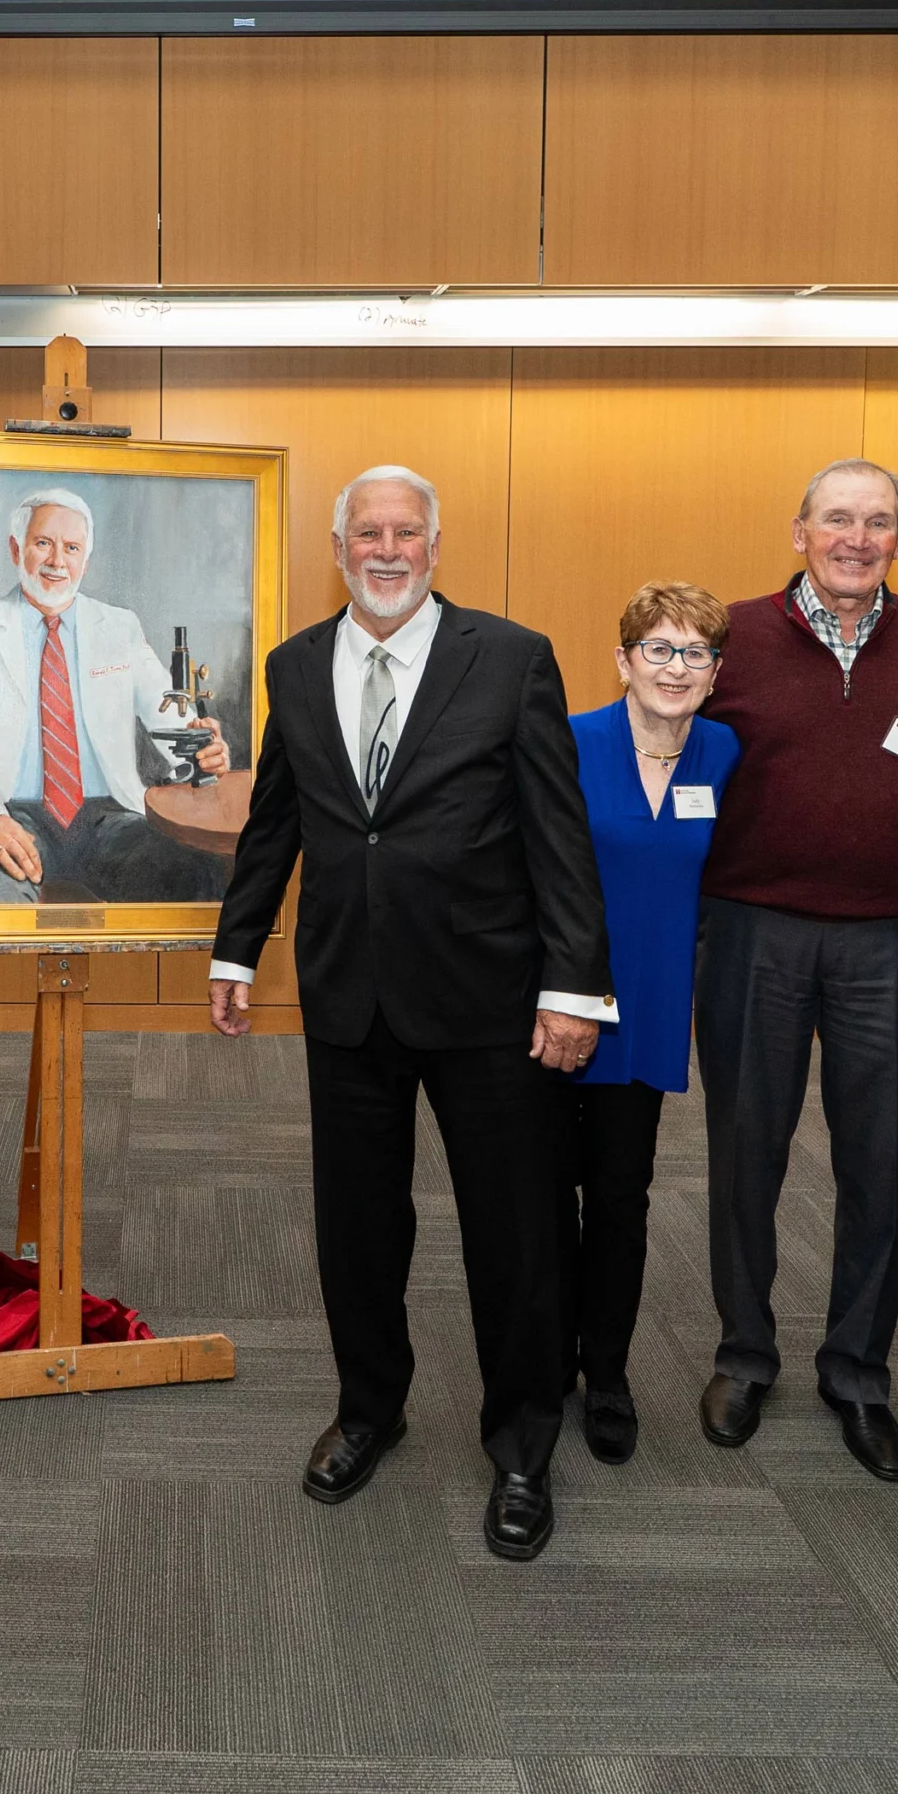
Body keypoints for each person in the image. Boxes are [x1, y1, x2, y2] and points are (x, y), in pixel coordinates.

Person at [209, 465, 614, 1562]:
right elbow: (277, 820)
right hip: (348, 995)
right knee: (356, 1226)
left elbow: (557, 834)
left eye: (405, 533)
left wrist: (574, 986)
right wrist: (236, 946)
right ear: (338, 547)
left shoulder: (513, 657)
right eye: (365, 534)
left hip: (491, 1000)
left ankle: (521, 1441)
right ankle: (368, 1408)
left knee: (514, 1231)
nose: (385, 551)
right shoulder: (295, 665)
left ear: (435, 545)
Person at [693, 459, 898, 1481]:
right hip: (752, 929)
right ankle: (743, 1352)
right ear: (799, 530)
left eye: (877, 522)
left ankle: (858, 1371)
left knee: (880, 1163)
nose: (855, 537)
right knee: (746, 1152)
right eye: (837, 518)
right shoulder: (728, 636)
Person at [559, 581, 739, 1466]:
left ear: (715, 670)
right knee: (548, 1195)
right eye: (660, 649)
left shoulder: (725, 751)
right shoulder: (569, 740)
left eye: (696, 651)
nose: (677, 667)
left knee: (621, 1199)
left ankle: (610, 1372)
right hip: (560, 1002)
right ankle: (547, 1354)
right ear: (623, 658)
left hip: (654, 1009)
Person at [0, 486, 230, 904]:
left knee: (201, 878)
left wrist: (202, 747)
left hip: (109, 818)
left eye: (72, 548)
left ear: (86, 560)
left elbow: (169, 712)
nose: (58, 561)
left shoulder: (120, 627)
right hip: (6, 815)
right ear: (15, 549)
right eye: (44, 543)